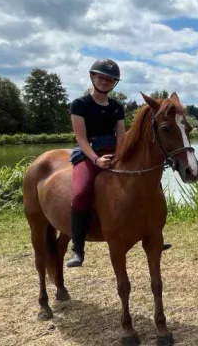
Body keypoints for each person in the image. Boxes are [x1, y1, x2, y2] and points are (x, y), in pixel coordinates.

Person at [66, 59, 126, 267]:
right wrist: (96, 159)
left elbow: (121, 136)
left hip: (114, 152)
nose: (105, 81)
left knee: (146, 178)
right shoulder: (79, 104)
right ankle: (77, 249)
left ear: (114, 83)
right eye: (101, 77)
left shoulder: (117, 107)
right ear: (92, 77)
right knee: (80, 192)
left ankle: (152, 233)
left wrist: (119, 156)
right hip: (89, 154)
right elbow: (81, 139)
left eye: (110, 79)